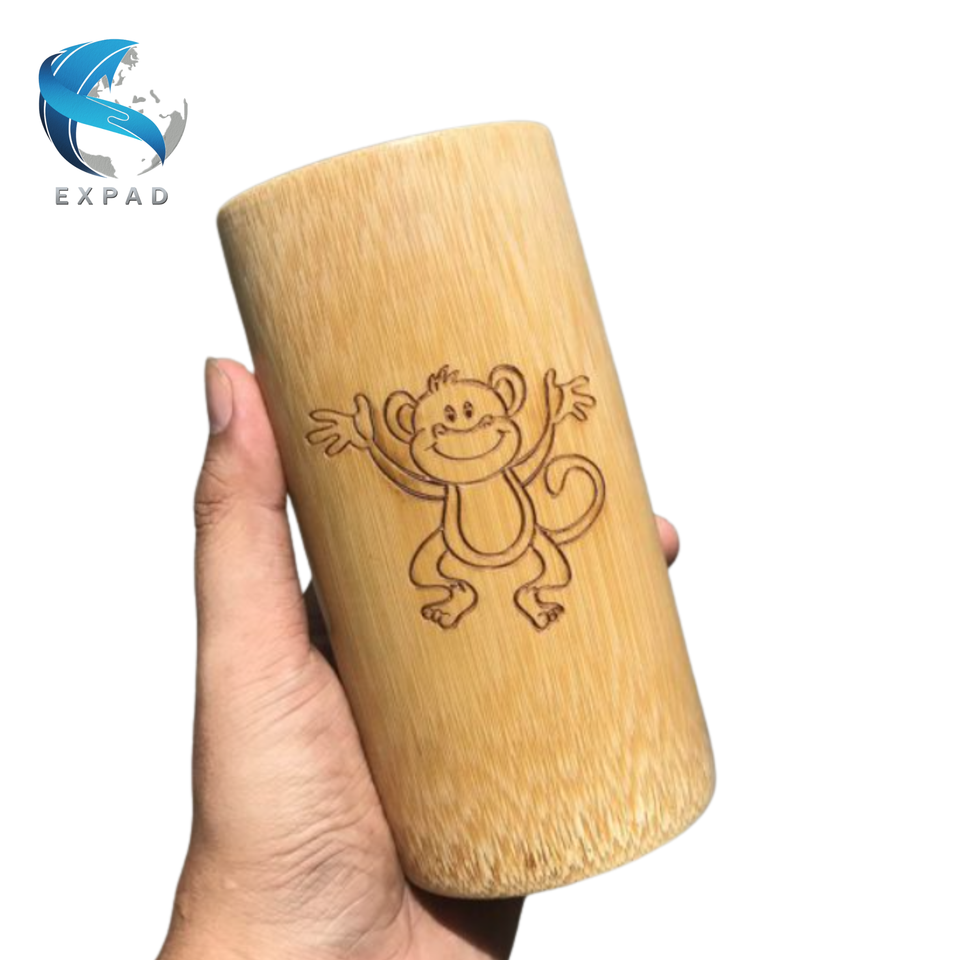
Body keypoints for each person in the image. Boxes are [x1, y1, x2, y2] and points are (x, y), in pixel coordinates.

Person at [158, 359, 682, 960]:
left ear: (507, 399)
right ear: (412, 424)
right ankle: (460, 595)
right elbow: (401, 470)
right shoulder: (430, 468)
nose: (461, 428)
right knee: (436, 564)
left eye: (473, 413)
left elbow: (536, 446)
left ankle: (529, 596)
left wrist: (557, 404)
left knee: (562, 565)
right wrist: (365, 437)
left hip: (525, 546)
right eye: (441, 423)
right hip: (460, 560)